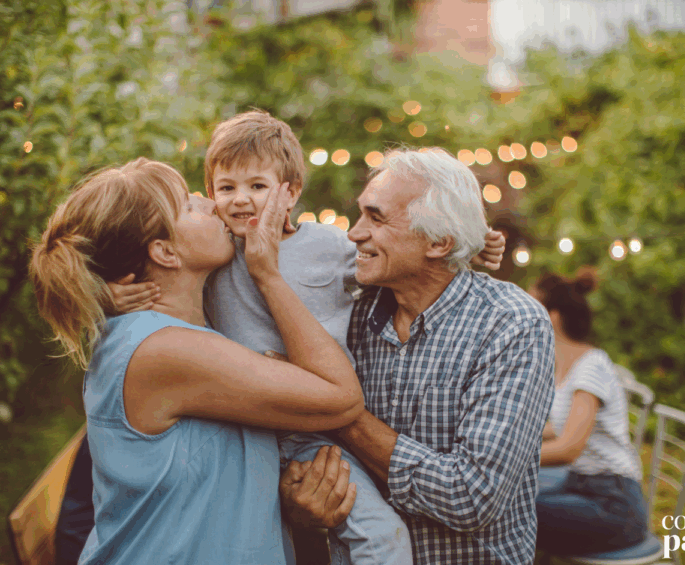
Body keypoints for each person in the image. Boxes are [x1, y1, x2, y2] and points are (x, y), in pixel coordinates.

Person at [103, 110, 506, 565]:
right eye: (225, 188)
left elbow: (401, 258)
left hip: (316, 430)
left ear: (290, 191)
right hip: (249, 423)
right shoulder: (217, 252)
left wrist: (471, 243)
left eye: (257, 187)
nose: (239, 201)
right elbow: (148, 271)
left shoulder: (328, 247)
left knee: (383, 535)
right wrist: (108, 292)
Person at [29, 158, 364, 565]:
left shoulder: (159, 333)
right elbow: (341, 398)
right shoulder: (164, 351)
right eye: (188, 206)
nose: (209, 203)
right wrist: (267, 275)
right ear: (166, 252)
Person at [283, 148, 556, 565]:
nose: (354, 233)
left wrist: (334, 404)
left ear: (439, 242)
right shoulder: (347, 315)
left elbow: (471, 495)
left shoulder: (511, 324)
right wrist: (297, 496)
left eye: (376, 218)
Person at [530, 269, 647, 556]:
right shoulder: (567, 366)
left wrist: (505, 456)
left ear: (552, 317)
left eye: (529, 306)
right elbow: (558, 427)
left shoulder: (590, 366)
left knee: (506, 512)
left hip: (613, 503)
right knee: (511, 502)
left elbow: (569, 447)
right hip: (582, 486)